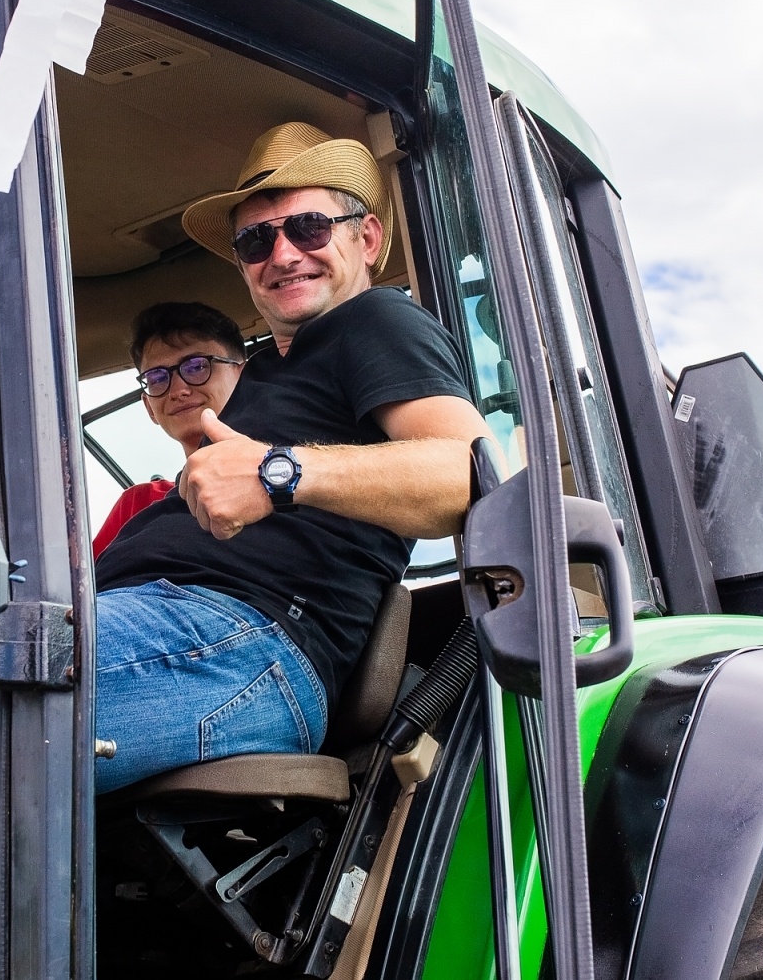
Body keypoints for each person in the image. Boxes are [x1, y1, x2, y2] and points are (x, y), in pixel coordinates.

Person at [93, 122, 491, 793]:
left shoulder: (375, 321)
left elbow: (473, 477)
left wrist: (278, 473)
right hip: (161, 620)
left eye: (308, 228)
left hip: (243, 637)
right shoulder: (267, 378)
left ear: (367, 239)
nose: (282, 254)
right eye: (256, 240)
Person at [92, 302, 248, 557]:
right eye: (157, 378)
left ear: (244, 377)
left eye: (196, 366)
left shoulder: (293, 477)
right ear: (149, 408)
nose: (178, 390)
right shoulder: (138, 505)